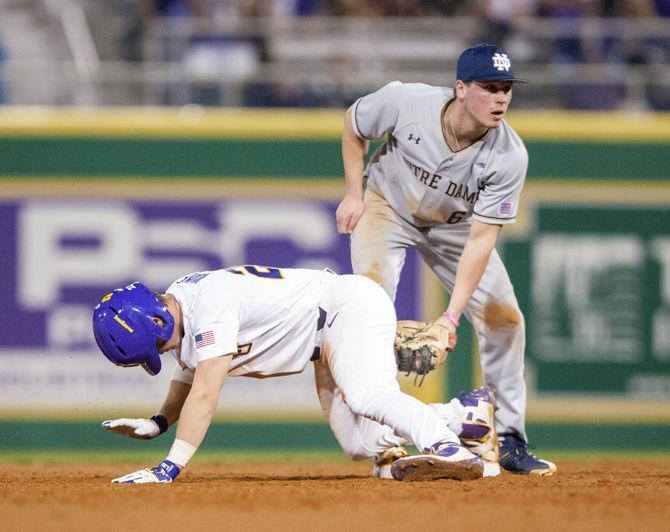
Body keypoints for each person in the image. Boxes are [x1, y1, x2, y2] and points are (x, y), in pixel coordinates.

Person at [335, 43, 556, 476]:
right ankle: (386, 443)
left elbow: (481, 240)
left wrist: (450, 319)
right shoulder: (407, 102)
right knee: (371, 318)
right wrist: (353, 192)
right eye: (490, 88)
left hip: (456, 225)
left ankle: (508, 436)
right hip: (386, 207)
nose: (501, 99)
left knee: (505, 320)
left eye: (507, 88)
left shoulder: (509, 155)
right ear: (460, 88)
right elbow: (353, 123)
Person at [92, 266, 500, 483]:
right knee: (362, 443)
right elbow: (187, 377)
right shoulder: (182, 305)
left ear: (159, 325)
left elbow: (205, 392)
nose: (162, 353)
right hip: (324, 338)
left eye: (156, 347)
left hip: (345, 309)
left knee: (366, 394)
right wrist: (159, 422)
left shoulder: (208, 304)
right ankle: (466, 417)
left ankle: (451, 448)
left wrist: (170, 466)